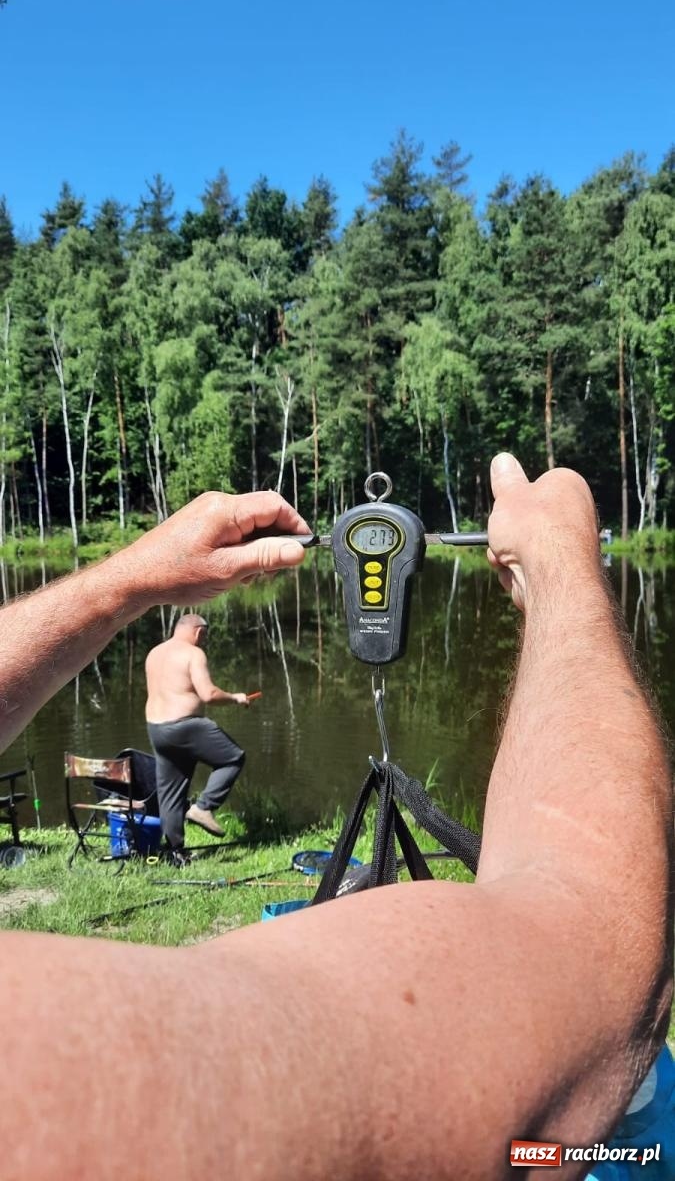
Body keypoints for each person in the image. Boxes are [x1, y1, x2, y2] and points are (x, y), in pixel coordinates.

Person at [0, 458, 671, 1181]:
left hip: (162, 731)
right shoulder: (52, 1079)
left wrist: (127, 579)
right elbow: (595, 950)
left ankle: (184, 822)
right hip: (191, 728)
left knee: (175, 787)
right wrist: (561, 572)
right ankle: (197, 813)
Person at [145, 613, 250, 855]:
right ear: (198, 632)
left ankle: (174, 852)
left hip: (157, 728)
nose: (204, 641)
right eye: (205, 636)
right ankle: (203, 807)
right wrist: (236, 697)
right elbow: (208, 694)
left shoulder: (155, 653)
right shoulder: (193, 654)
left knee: (170, 791)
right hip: (185, 726)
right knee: (233, 757)